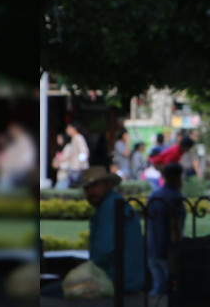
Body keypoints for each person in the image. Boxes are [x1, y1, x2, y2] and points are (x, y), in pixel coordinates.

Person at [41, 166, 145, 297]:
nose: (90, 192)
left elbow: (103, 251)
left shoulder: (110, 206)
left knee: (46, 294)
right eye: (86, 188)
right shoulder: (113, 203)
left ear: (108, 185)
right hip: (125, 280)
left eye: (94, 186)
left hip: (116, 282)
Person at [146, 162, 186, 295]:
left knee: (158, 290)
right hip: (168, 250)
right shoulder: (175, 197)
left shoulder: (155, 195)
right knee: (171, 293)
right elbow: (175, 226)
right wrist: (177, 248)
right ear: (177, 178)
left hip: (153, 248)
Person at [0, 121, 36, 190]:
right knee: (3, 173)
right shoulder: (15, 143)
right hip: (12, 170)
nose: (11, 133)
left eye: (12, 131)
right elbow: (7, 157)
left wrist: (7, 164)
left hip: (21, 172)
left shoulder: (25, 142)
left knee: (5, 174)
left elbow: (26, 162)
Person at [63, 121, 90, 187]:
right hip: (75, 169)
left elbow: (85, 152)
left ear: (74, 128)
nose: (66, 130)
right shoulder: (74, 139)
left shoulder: (78, 138)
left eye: (68, 128)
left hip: (78, 170)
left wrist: (80, 164)